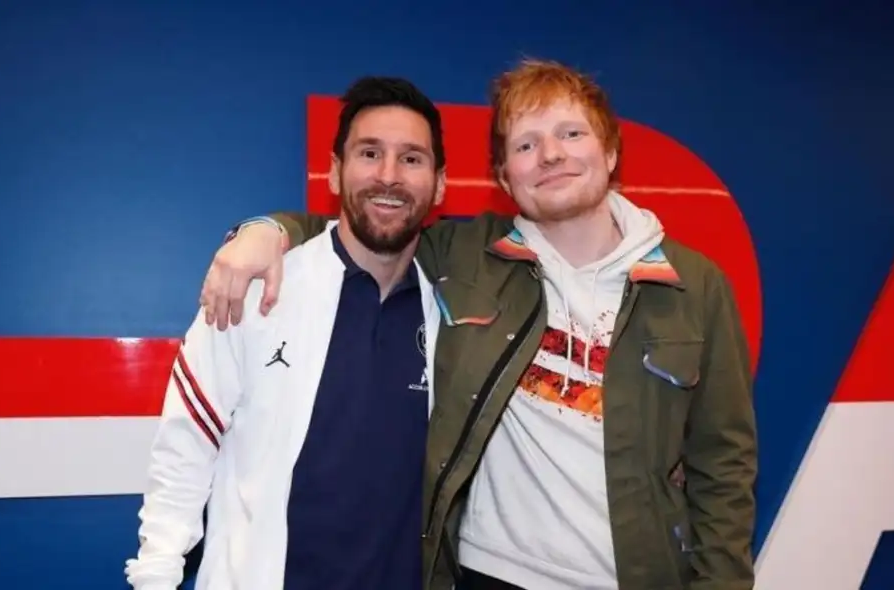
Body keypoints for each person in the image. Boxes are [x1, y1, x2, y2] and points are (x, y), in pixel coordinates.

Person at [203, 59, 758, 590]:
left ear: (610, 151)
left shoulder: (695, 286)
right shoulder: (466, 253)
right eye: (526, 145)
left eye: (570, 134)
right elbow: (363, 226)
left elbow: (724, 463)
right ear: (504, 177)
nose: (550, 155)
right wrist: (265, 230)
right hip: (485, 574)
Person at [124, 76, 446, 590]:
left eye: (411, 158)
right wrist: (156, 576)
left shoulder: (451, 310)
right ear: (335, 171)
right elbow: (185, 447)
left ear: (439, 183)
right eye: (369, 153)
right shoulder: (254, 287)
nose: (388, 175)